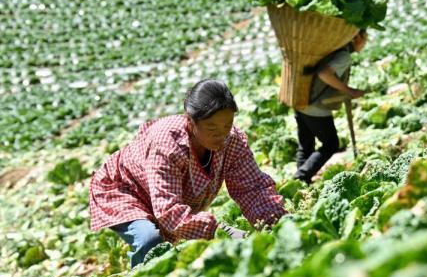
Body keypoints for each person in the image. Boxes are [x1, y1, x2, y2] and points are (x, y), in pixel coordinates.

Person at [89, 79, 288, 267]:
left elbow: (252, 188)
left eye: (227, 125)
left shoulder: (232, 140)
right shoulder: (168, 143)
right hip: (125, 187)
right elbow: (168, 211)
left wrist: (275, 223)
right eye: (211, 127)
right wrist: (220, 230)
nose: (221, 134)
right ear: (191, 121)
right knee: (150, 240)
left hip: (162, 194)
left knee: (168, 247)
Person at [293, 29, 368, 184]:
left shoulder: (331, 49)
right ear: (357, 37)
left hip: (301, 101)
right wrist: (350, 90)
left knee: (306, 144)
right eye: (365, 38)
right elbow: (324, 74)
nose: (365, 42)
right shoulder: (343, 55)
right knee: (331, 144)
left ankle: (299, 183)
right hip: (315, 107)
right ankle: (301, 176)